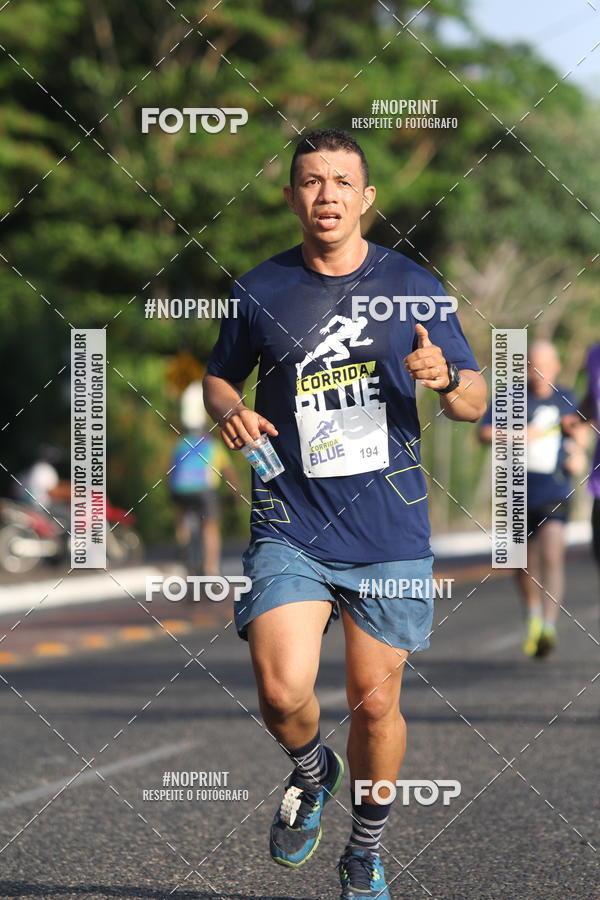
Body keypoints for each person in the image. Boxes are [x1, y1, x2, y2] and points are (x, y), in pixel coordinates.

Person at [203, 128, 486, 900]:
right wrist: (229, 412)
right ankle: (310, 769)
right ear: (292, 196)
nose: (325, 193)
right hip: (290, 518)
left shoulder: (415, 287)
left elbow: (473, 399)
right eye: (309, 181)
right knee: (282, 688)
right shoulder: (261, 288)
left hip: (388, 529)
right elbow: (219, 379)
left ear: (366, 199)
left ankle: (365, 848)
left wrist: (444, 376)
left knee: (375, 700)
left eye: (340, 181)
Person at [479, 340, 586, 658]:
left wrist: (578, 456)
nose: (539, 372)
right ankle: (533, 613)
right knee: (521, 562)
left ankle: (548, 627)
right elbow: (483, 433)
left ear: (556, 366)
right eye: (532, 365)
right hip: (515, 489)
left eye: (545, 364)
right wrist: (517, 435)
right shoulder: (510, 398)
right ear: (526, 368)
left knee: (553, 552)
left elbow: (579, 435)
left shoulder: (567, 397)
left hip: (554, 489)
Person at [169, 400, 236, 577]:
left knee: (181, 518)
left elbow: (170, 470)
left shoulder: (181, 444)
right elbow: (229, 473)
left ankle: (183, 546)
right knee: (210, 526)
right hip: (204, 489)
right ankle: (211, 568)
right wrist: (236, 491)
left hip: (179, 489)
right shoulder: (212, 445)